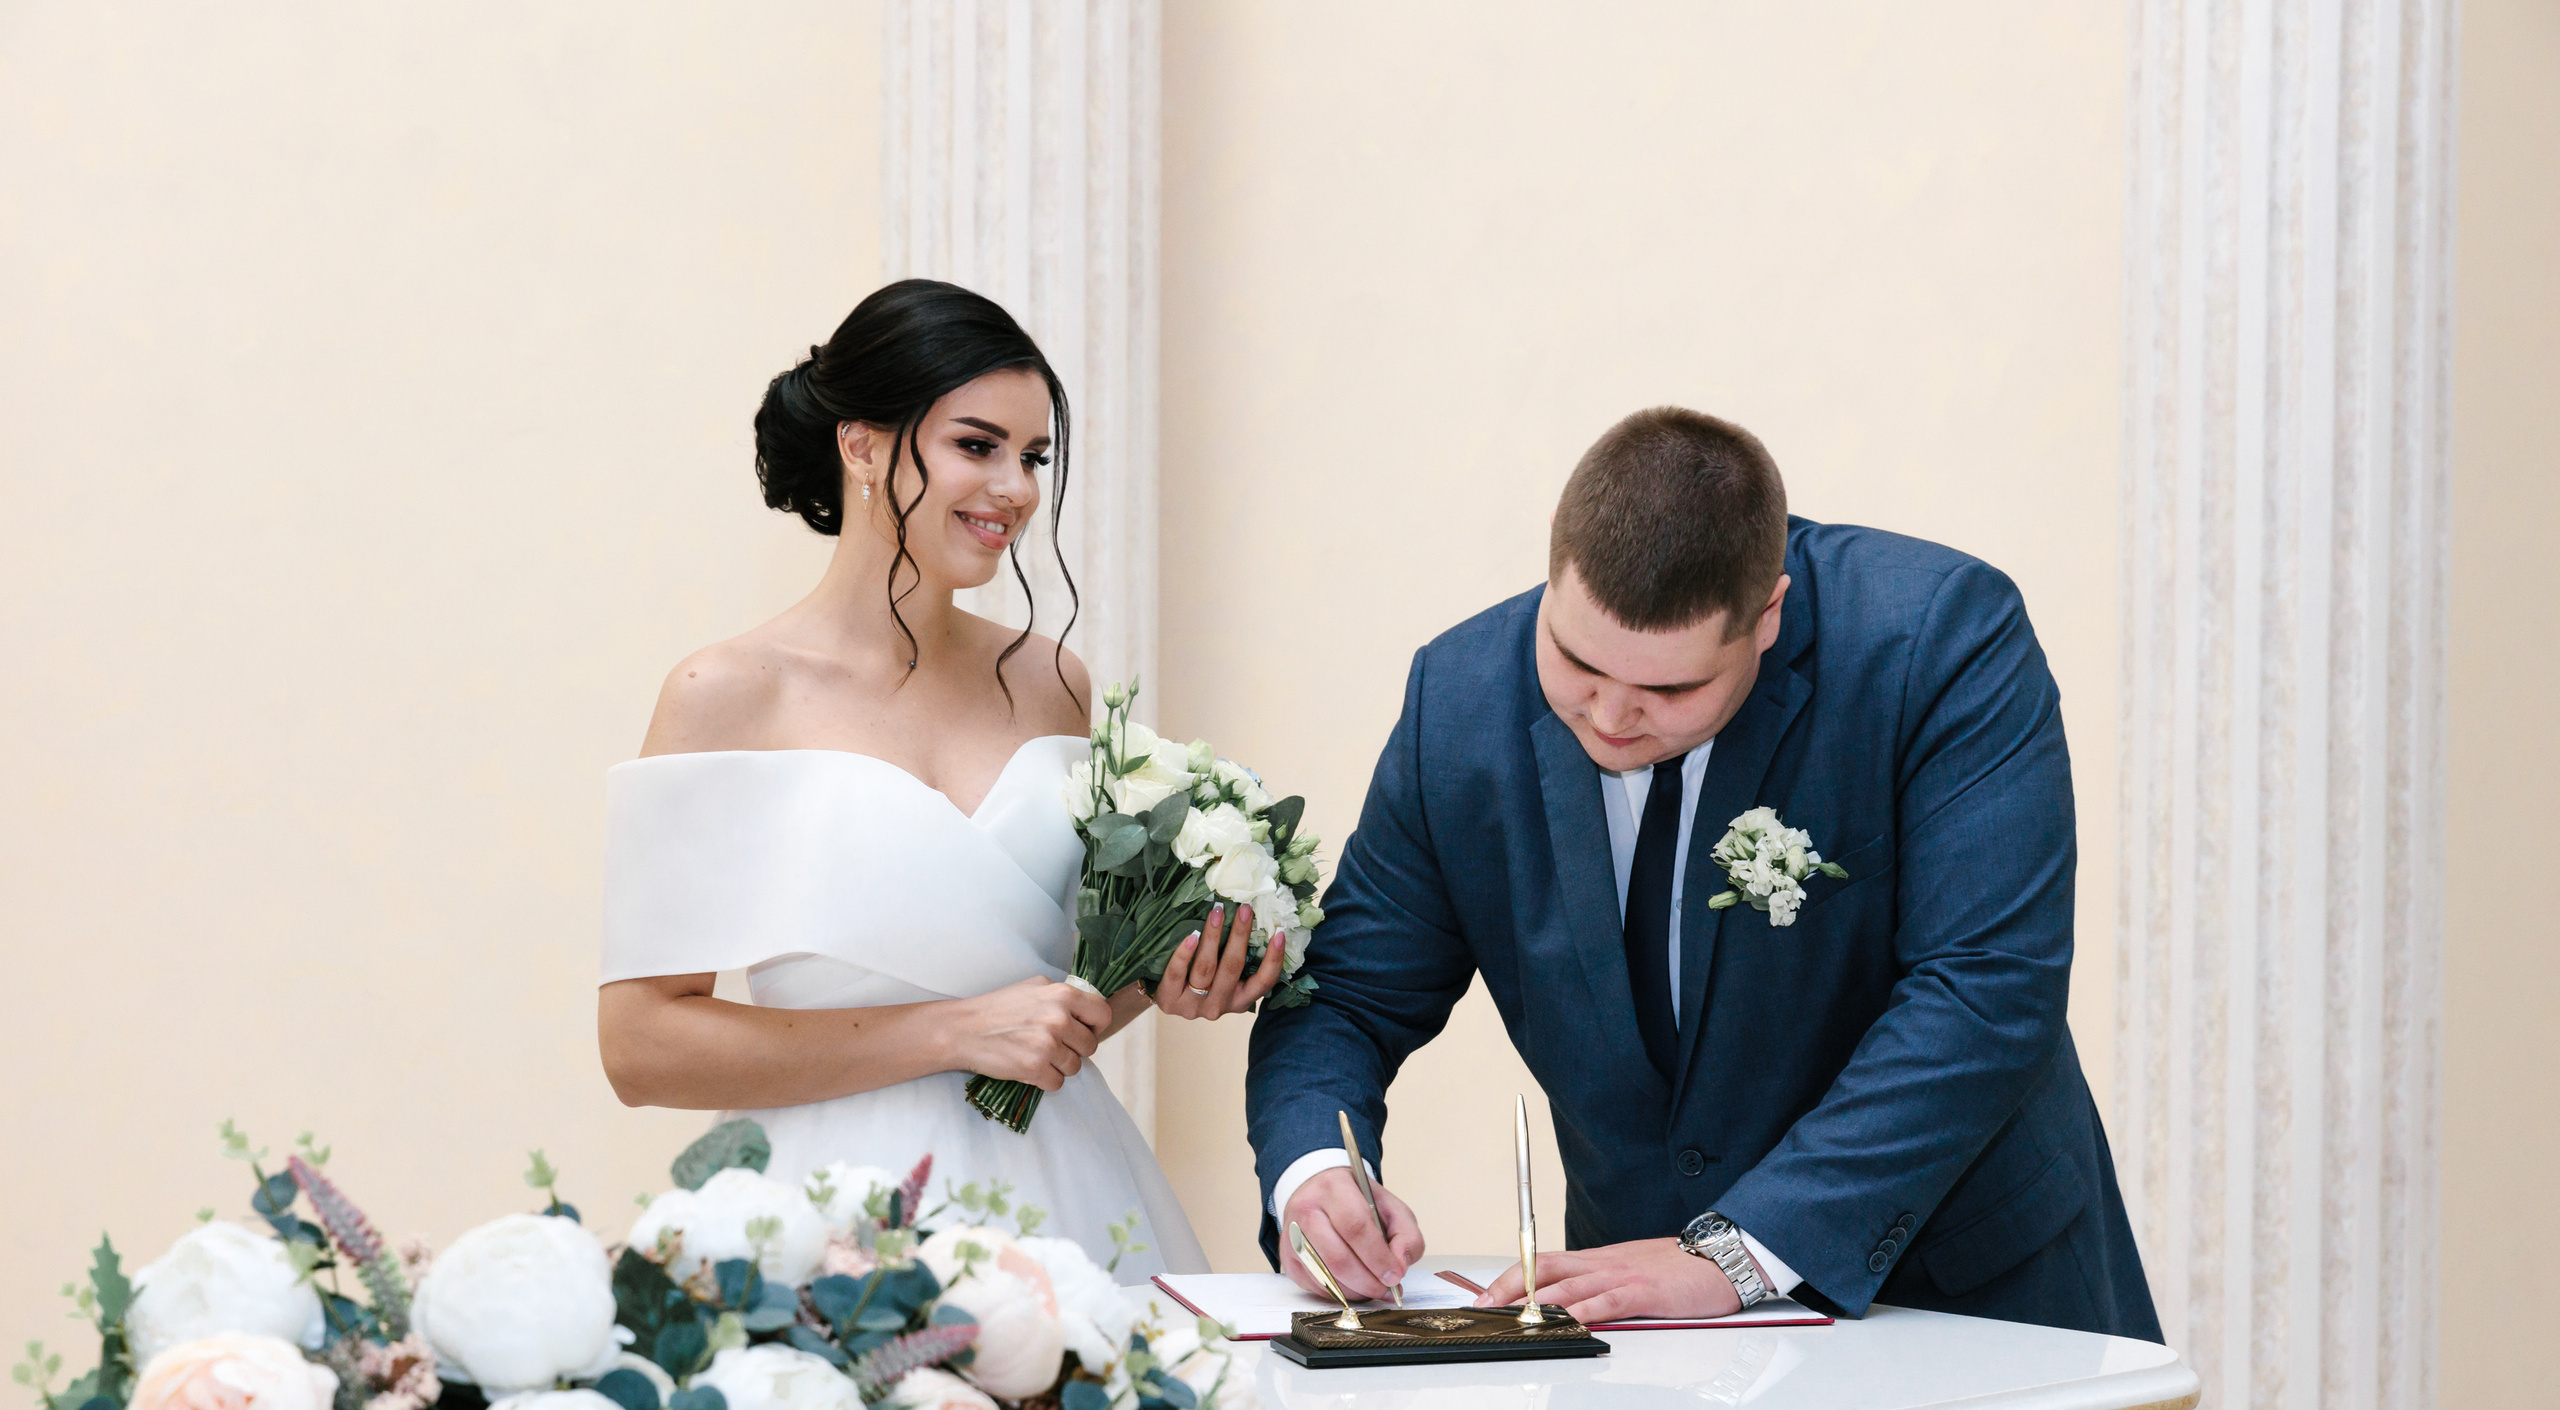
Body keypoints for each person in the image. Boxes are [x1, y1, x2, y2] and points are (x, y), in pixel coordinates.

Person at [1246, 406, 2160, 1342]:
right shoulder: (1460, 699)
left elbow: (1986, 990)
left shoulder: (1939, 641)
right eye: (1576, 660)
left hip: (1958, 1299)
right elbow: (1350, 994)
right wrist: (1316, 1168)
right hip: (1636, 1328)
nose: (1608, 717)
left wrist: (1739, 1252)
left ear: (1767, 615)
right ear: (1555, 571)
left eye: (1670, 690)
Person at [597, 278, 1276, 1274]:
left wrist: (1167, 972)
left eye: (1032, 455)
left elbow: (1056, 997)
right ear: (861, 445)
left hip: (1064, 1186)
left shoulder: (1053, 681)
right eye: (977, 444)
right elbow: (641, 1047)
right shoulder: (725, 692)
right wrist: (950, 1031)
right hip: (834, 1214)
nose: (1015, 487)